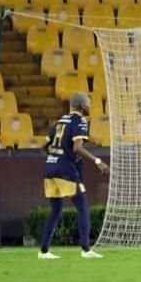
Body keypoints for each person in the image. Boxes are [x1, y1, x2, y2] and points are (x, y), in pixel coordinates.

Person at [38, 92, 109, 260]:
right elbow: (77, 148)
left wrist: (55, 156)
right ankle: (86, 250)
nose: (90, 106)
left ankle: (44, 251)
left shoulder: (61, 120)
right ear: (82, 106)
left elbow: (43, 144)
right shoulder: (80, 121)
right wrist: (98, 161)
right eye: (88, 103)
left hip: (50, 168)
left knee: (55, 211)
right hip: (65, 170)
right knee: (83, 207)